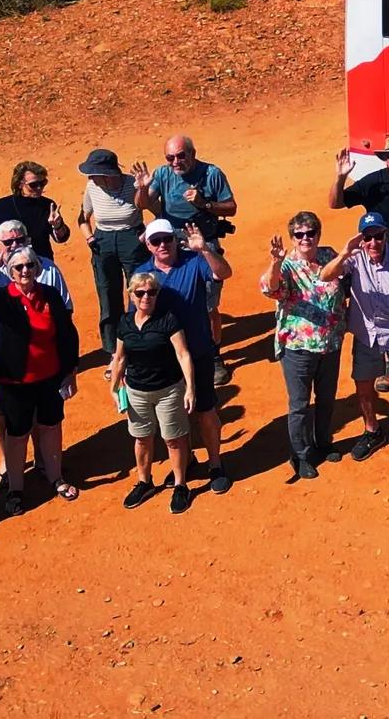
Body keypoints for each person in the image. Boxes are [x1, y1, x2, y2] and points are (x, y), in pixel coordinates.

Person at [0, 211, 76, 500]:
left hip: (46, 369)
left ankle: (48, 469)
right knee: (8, 421)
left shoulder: (48, 275)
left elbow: (66, 324)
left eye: (19, 240)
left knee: (48, 422)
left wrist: (70, 368)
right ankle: (11, 473)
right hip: (5, 366)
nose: (24, 268)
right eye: (7, 242)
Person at [130, 219, 233, 493]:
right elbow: (135, 317)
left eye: (167, 239)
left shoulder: (194, 261)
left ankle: (215, 465)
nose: (163, 245)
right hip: (162, 359)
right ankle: (186, 461)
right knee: (173, 417)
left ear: (175, 239)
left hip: (197, 350)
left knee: (204, 409)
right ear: (149, 246)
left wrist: (206, 251)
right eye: (156, 241)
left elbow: (224, 273)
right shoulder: (142, 274)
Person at [135, 135, 238, 378]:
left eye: (181, 156)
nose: (176, 162)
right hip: (170, 244)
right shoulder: (162, 174)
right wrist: (141, 188)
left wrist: (205, 204)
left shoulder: (212, 173)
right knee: (173, 298)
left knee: (209, 304)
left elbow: (231, 207)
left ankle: (213, 355)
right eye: (170, 157)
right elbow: (142, 204)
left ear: (192, 153)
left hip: (202, 243)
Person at [258, 212, 346, 480]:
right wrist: (274, 262)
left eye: (310, 233)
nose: (305, 238)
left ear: (318, 235)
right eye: (299, 234)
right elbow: (269, 289)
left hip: (330, 343)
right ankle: (301, 454)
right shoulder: (285, 265)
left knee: (327, 398)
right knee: (299, 403)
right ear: (292, 238)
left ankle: (323, 442)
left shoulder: (328, 255)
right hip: (298, 346)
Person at [323, 212, 389, 463]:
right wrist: (344, 252)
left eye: (378, 236)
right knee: (363, 385)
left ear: (386, 236)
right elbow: (325, 276)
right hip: (366, 333)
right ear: (361, 239)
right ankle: (372, 430)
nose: (373, 243)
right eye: (368, 237)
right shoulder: (354, 258)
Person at [106, 271, 201, 514]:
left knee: (174, 439)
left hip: (168, 390)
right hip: (137, 391)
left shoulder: (167, 320)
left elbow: (183, 354)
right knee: (142, 438)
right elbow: (120, 357)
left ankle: (180, 485)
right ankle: (144, 482)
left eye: (151, 292)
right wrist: (115, 386)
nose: (146, 297)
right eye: (140, 293)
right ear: (131, 296)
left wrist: (189, 388)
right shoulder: (125, 322)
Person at [75, 148, 142, 356]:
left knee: (139, 292)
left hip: (132, 239)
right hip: (102, 241)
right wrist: (89, 238)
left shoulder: (133, 184)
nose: (90, 177)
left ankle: (139, 343)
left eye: (94, 173)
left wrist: (144, 236)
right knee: (108, 295)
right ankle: (114, 351)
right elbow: (83, 218)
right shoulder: (91, 187)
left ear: (109, 174)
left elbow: (156, 211)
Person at [0, 161, 72, 261]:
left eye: (42, 183)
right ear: (19, 184)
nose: (39, 188)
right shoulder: (2, 206)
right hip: (11, 266)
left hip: (41, 265)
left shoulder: (48, 205)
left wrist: (58, 226)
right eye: (33, 185)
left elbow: (61, 238)